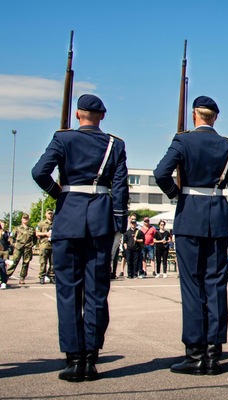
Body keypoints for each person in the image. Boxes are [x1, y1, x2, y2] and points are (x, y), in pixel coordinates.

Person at [31, 94, 128, 382]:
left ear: (77, 115)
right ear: (102, 116)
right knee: (97, 291)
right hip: (100, 219)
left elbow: (39, 172)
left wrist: (58, 192)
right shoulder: (115, 144)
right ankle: (91, 356)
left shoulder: (63, 139)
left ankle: (73, 358)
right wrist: (119, 224)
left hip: (69, 217)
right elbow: (120, 189)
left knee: (68, 291)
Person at [154, 96, 228, 375]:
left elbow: (160, 173)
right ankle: (213, 353)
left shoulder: (182, 141)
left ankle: (194, 353)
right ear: (215, 117)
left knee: (192, 286)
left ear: (196, 115)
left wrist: (175, 194)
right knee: (216, 284)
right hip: (218, 216)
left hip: (189, 215)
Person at [6, 214, 36, 285]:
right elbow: (11, 237)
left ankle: (22, 278)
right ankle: (6, 276)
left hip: (27, 248)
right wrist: (14, 244)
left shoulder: (31, 229)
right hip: (18, 247)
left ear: (28, 219)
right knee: (14, 262)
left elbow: (35, 239)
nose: (25, 220)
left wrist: (32, 245)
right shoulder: (17, 228)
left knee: (25, 263)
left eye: (26, 218)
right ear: (21, 219)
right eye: (24, 218)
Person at [36, 209, 55, 284]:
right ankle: (42, 276)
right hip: (44, 245)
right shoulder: (41, 223)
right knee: (43, 262)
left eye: (51, 213)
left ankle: (51, 276)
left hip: (53, 245)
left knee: (53, 263)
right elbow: (37, 233)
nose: (50, 215)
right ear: (45, 214)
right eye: (49, 213)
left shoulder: (55, 222)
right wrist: (46, 234)